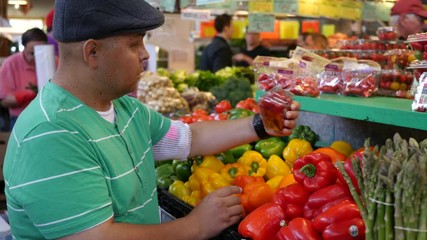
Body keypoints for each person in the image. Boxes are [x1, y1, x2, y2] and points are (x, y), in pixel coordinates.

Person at [3, 1, 300, 239]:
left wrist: (259, 124)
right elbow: (96, 236)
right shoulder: (51, 133)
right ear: (92, 52)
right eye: (134, 44)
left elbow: (189, 139)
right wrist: (194, 226)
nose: (145, 55)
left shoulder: (125, 108)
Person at [0, 28, 47, 129]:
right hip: (20, 119)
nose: (37, 57)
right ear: (24, 47)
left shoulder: (52, 61)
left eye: (41, 52)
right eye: (32, 52)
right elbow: (4, 101)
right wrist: (29, 95)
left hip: (46, 117)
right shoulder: (10, 64)